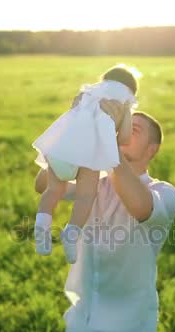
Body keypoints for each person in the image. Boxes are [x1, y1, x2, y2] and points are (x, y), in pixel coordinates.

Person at [34, 100, 175, 332]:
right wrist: (78, 130)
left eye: (132, 130)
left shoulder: (165, 193)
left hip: (131, 326)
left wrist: (107, 143)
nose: (120, 133)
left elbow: (141, 207)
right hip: (82, 317)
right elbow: (43, 184)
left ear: (151, 150)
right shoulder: (94, 184)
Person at [32, 65, 138, 264]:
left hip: (61, 148)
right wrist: (119, 122)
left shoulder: (88, 92)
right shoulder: (124, 103)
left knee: (52, 191)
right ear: (131, 90)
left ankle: (41, 229)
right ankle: (71, 234)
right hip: (89, 155)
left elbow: (71, 116)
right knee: (86, 196)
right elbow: (124, 138)